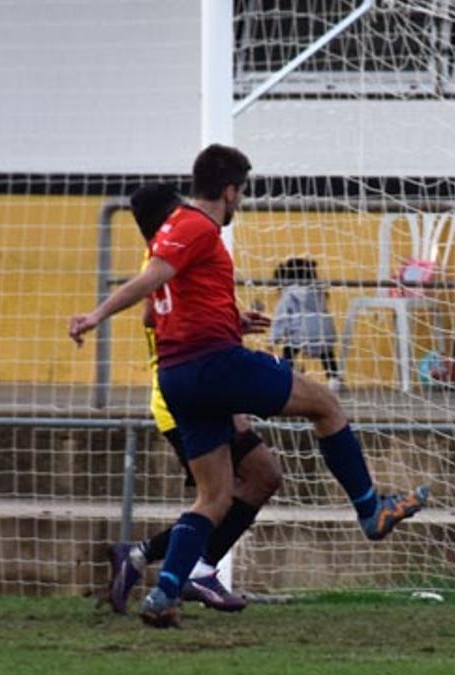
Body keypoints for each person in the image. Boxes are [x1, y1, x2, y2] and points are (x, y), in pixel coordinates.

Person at [70, 145, 429, 628]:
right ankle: (371, 510)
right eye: (240, 194)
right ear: (230, 190)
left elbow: (167, 304)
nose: (239, 203)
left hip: (178, 378)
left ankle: (164, 593)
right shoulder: (195, 225)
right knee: (325, 405)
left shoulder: (173, 232)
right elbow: (152, 280)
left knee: (214, 497)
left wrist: (231, 318)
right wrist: (96, 315)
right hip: (215, 366)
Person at [106, 182, 283, 615]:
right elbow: (153, 316)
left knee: (259, 478)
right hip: (185, 396)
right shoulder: (166, 256)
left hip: (191, 386)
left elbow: (162, 315)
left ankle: (152, 558)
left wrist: (229, 324)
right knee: (223, 495)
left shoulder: (166, 253)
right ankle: (188, 571)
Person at [270, 257, 344, 393]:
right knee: (327, 354)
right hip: (325, 332)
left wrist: (274, 337)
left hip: (302, 333)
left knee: (288, 351)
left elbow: (281, 317)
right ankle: (334, 378)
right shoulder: (318, 291)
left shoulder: (289, 294)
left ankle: (288, 377)